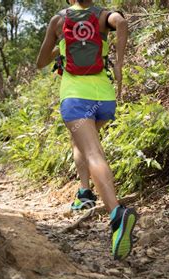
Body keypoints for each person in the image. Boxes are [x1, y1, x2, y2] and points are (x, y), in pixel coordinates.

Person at [36, 0, 137, 260]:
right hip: (104, 99)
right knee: (80, 141)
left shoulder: (58, 21)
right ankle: (84, 193)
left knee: (93, 152)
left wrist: (58, 51)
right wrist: (119, 64)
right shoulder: (103, 15)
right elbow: (123, 23)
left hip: (75, 97)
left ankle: (117, 214)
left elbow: (40, 62)